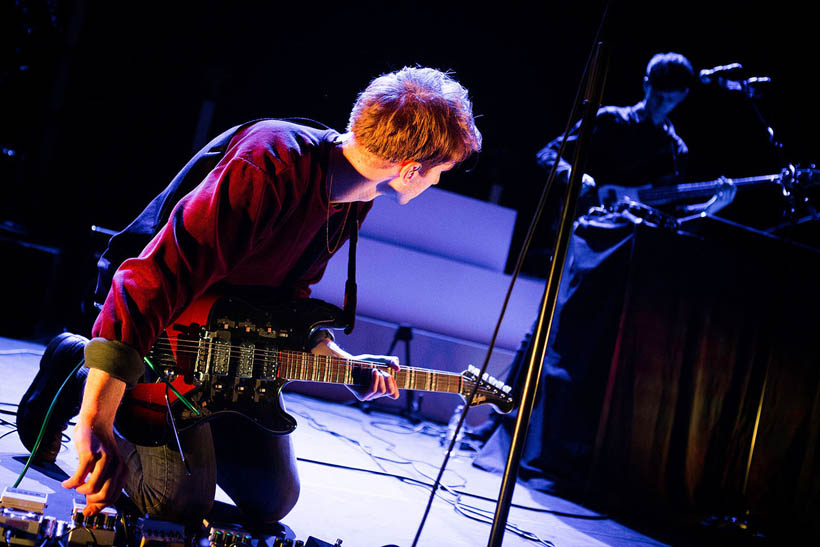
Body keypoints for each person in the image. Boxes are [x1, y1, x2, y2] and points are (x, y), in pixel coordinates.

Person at [17, 66, 481, 526]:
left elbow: (290, 300)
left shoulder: (350, 202)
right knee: (173, 502)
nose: (438, 181)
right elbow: (154, 278)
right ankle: (80, 365)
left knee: (272, 500)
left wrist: (337, 360)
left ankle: (185, 422)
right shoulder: (270, 161)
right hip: (154, 321)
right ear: (409, 170)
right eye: (441, 170)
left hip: (224, 342)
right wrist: (96, 419)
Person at [536, 51, 735, 216]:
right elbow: (549, 153)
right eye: (657, 96)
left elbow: (671, 213)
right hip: (579, 223)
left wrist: (711, 207)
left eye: (669, 99)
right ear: (646, 84)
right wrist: (571, 174)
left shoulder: (676, 150)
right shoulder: (610, 119)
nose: (661, 105)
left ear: (683, 96)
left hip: (629, 244)